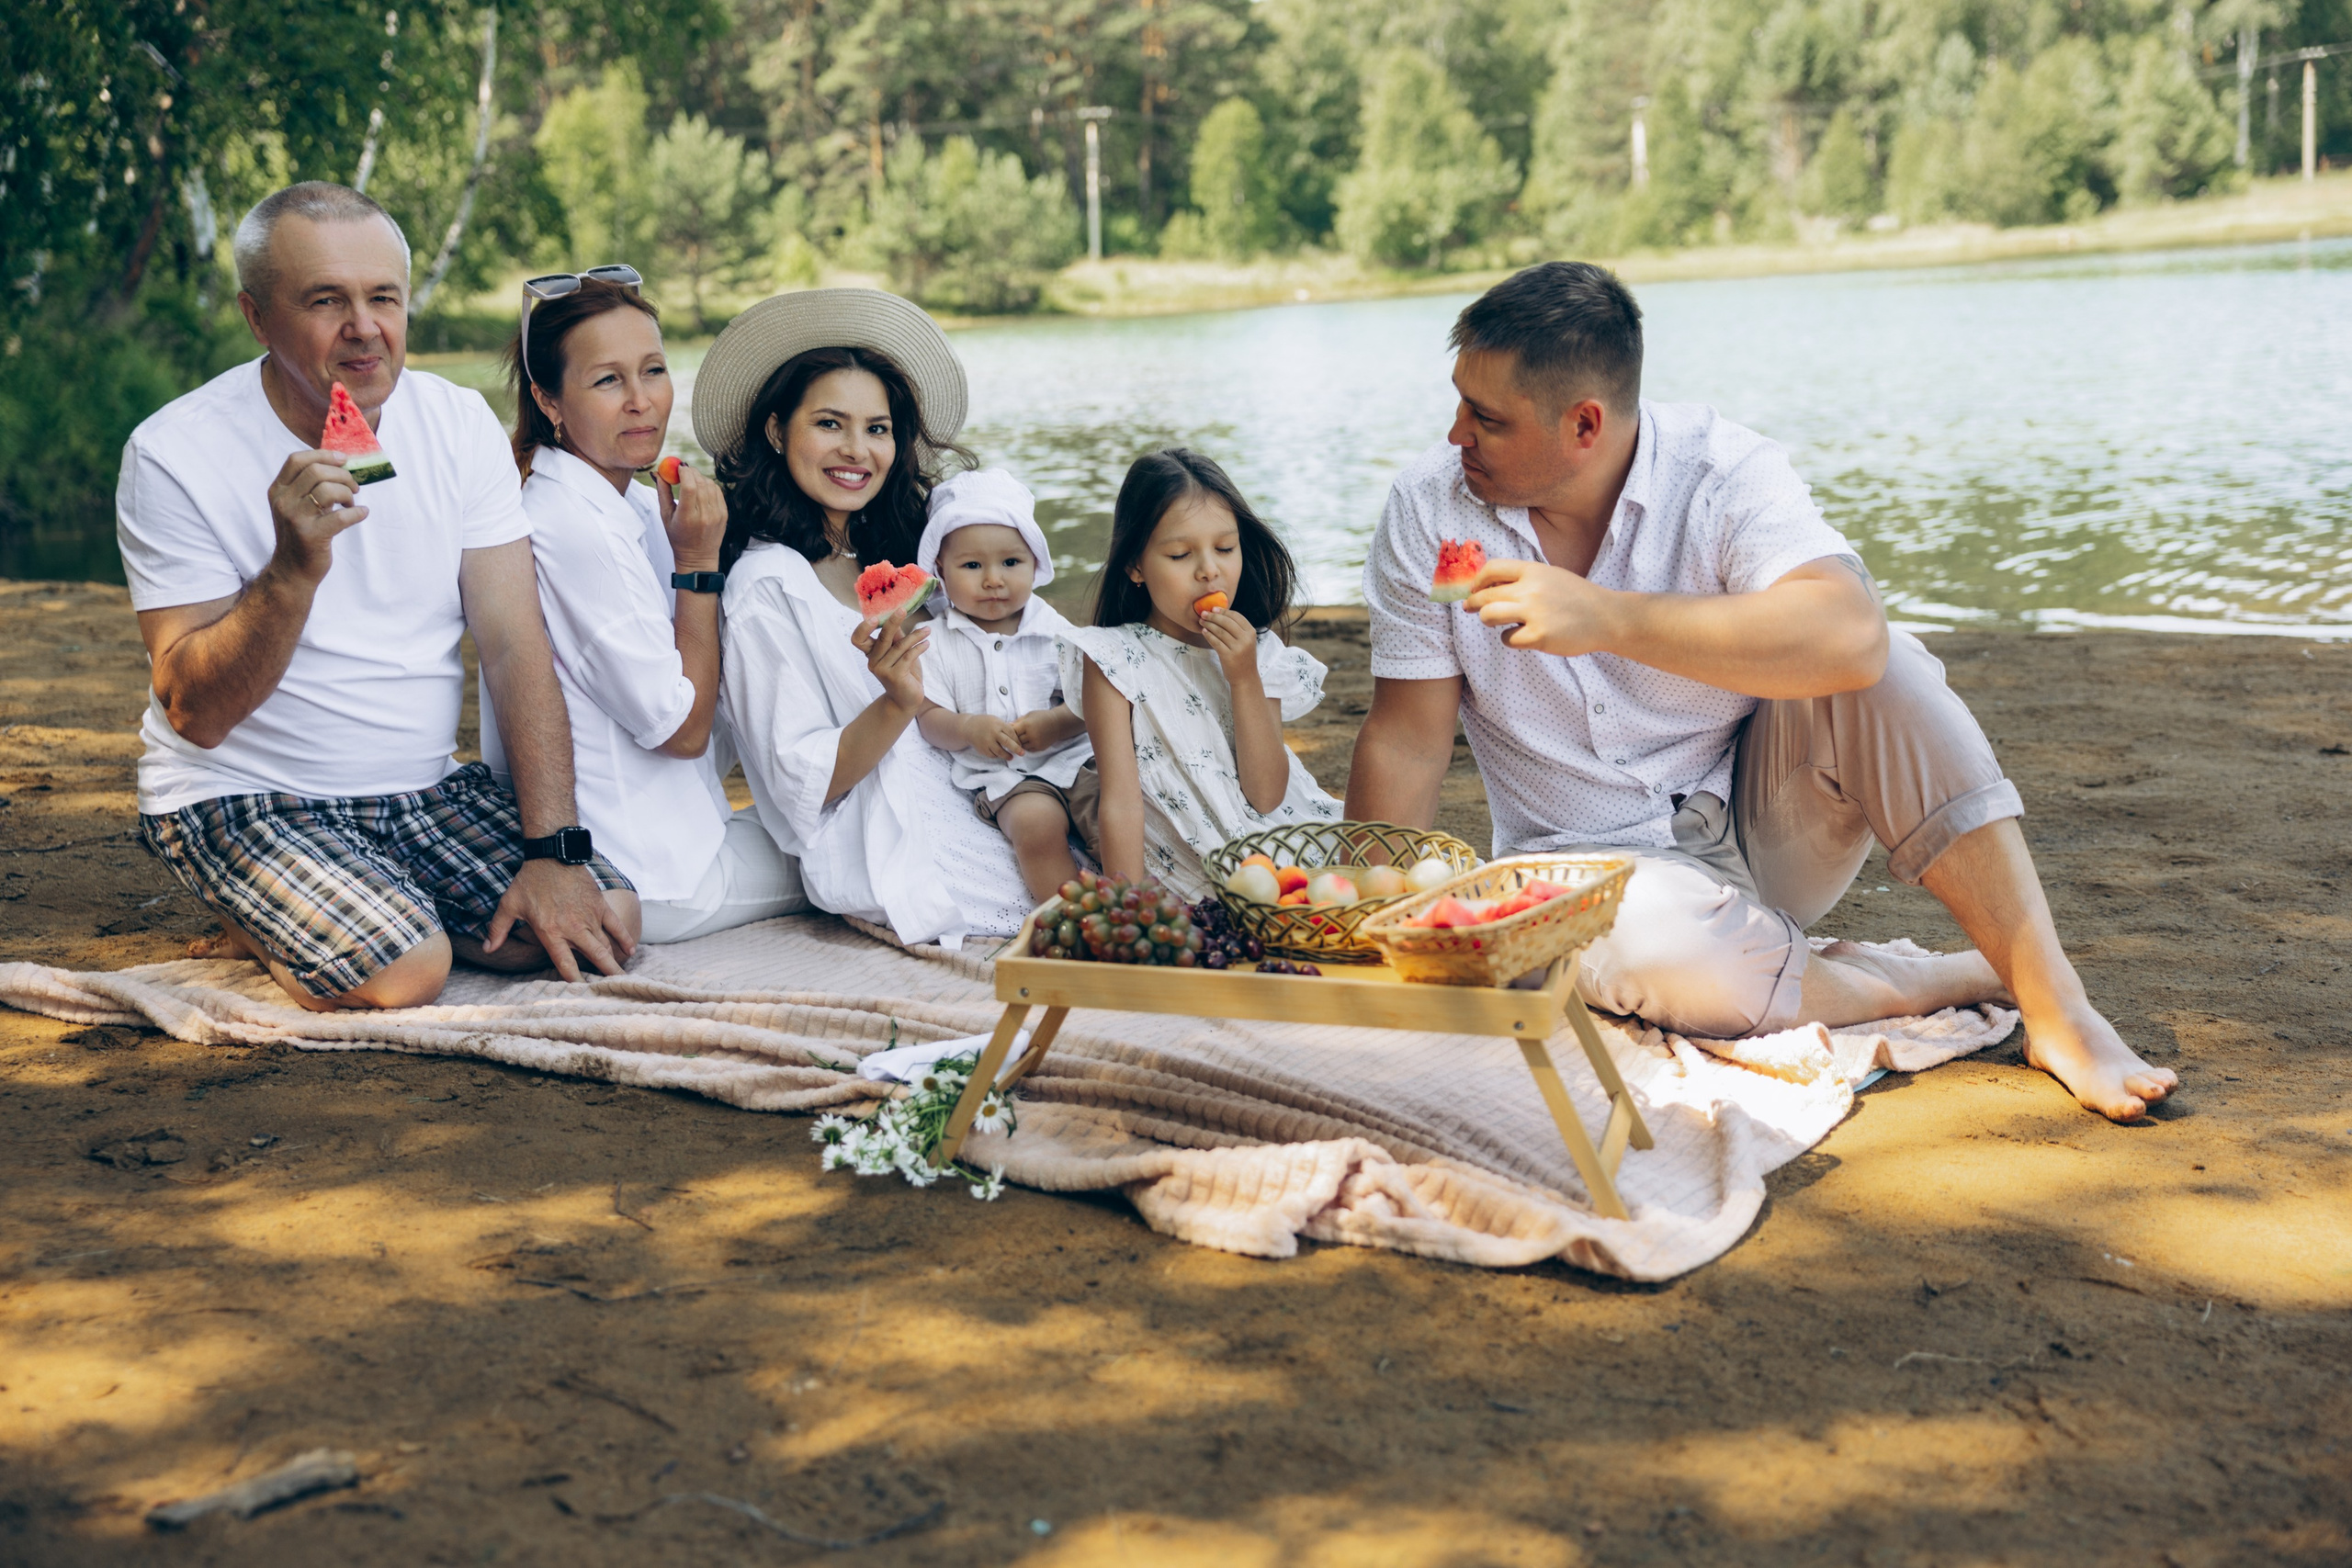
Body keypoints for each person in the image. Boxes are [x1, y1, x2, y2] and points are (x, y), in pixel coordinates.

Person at [1346, 260, 2176, 1123]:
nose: (1455, 435)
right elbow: (1408, 737)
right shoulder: (1431, 511)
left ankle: (2056, 1007)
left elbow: (1849, 633)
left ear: (1584, 423)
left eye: (1487, 418)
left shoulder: (1718, 471)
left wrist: (1606, 618)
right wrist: (1356, 932)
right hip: (1583, 870)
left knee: (1886, 664)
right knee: (1656, 945)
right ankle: (1917, 978)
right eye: (1459, 404)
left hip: (1769, 828)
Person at [116, 181, 638, 1012]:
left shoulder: (457, 422)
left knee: (605, 916)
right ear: (258, 318)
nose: (364, 328)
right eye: (326, 301)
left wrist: (553, 850)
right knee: (406, 968)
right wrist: (290, 571)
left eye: (382, 298)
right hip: (242, 793)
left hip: (422, 787)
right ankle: (261, 908)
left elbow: (512, 645)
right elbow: (195, 713)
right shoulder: (173, 452)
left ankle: (376, 900)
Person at [695, 288, 1029, 949]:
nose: (857, 450)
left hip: (981, 791)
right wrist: (897, 702)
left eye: (877, 429)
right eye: (828, 424)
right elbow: (801, 783)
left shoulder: (896, 556)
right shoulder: (767, 587)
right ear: (775, 429)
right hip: (886, 839)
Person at [491, 270, 806, 942]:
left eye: (654, 370)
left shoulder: (628, 499)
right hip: (655, 872)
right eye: (608, 381)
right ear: (549, 400)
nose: (642, 402)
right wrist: (697, 565)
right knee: (854, 840)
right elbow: (683, 731)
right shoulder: (569, 524)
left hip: (681, 832)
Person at [1060, 448, 1340, 900]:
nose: (1210, 570)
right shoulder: (1111, 657)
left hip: (1273, 833)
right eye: (1179, 554)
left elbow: (1267, 795)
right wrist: (1124, 910)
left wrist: (1245, 678)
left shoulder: (1260, 652)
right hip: (1184, 850)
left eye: (1225, 549)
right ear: (1135, 566)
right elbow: (1121, 800)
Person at [911, 467, 1097, 903]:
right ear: (940, 569)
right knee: (1036, 823)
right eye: (972, 565)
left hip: (1074, 759)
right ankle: (1068, 917)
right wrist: (967, 729)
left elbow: (1090, 703)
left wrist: (1056, 724)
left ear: (1035, 563)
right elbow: (927, 715)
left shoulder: (1055, 630)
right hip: (1005, 778)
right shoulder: (936, 641)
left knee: (1118, 806)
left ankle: (1141, 897)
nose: (993, 579)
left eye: (1011, 563)